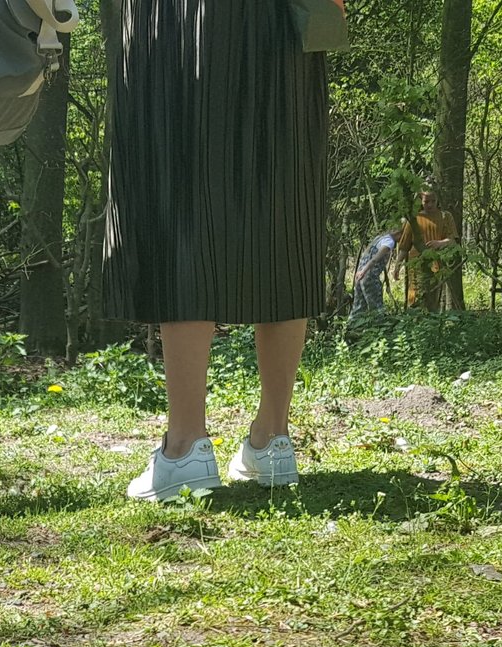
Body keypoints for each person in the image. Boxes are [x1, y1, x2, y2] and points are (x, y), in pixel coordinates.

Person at [104, 0, 330, 502]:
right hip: (285, 20)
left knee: (181, 198)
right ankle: (273, 438)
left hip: (178, 20)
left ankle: (186, 445)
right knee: (282, 205)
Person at [396, 191, 458, 309]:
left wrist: (439, 243)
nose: (430, 205)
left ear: (437, 200)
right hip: (416, 265)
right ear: (421, 201)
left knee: (433, 296)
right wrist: (397, 266)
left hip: (436, 264)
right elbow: (404, 247)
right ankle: (415, 316)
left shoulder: (445, 217)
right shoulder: (414, 219)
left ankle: (432, 318)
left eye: (433, 201)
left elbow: (453, 240)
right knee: (415, 296)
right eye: (426, 201)